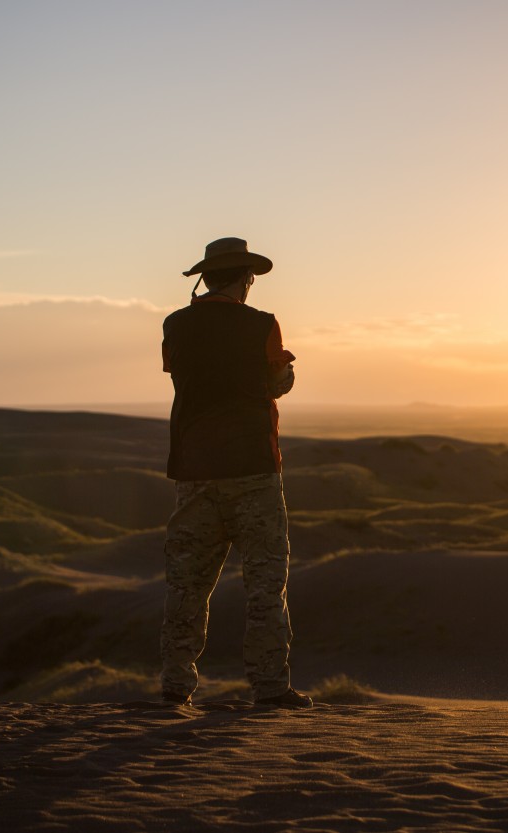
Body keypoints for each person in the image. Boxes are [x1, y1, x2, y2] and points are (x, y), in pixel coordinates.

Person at [158, 237, 311, 708]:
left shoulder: (176, 324)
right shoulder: (262, 325)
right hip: (253, 470)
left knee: (187, 585)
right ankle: (270, 687)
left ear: (206, 277)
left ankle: (176, 687)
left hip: (195, 472)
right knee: (265, 585)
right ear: (245, 278)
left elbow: (179, 373)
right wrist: (284, 377)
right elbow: (274, 382)